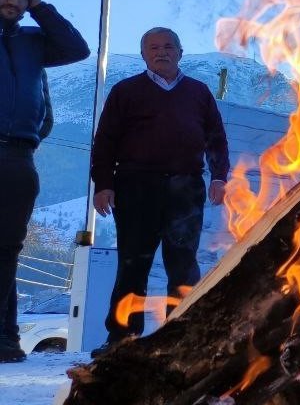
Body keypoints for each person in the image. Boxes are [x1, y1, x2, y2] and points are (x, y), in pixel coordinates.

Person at [91, 27, 229, 351]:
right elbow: (105, 141)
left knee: (183, 266)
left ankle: (181, 339)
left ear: (180, 53)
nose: (161, 52)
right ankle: (122, 339)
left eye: (169, 46)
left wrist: (219, 176)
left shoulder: (199, 92)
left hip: (186, 190)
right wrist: (103, 184)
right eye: (153, 47)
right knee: (132, 265)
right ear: (143, 55)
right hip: (136, 189)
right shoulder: (126, 92)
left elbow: (217, 138)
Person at [0, 0, 90, 363]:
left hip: (19, 157)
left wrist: (41, 7)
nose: (12, 1)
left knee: (7, 250)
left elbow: (78, 49)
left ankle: (5, 338)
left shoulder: (35, 42)